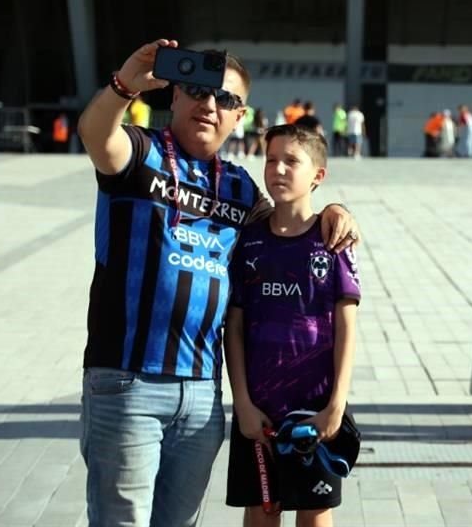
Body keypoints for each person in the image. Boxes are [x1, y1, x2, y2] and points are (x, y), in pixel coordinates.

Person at [75, 38, 359, 527]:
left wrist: (334, 209)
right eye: (197, 91)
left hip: (202, 394)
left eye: (225, 99)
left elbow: (288, 223)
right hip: (128, 384)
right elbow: (97, 134)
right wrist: (124, 86)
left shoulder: (239, 186)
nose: (209, 105)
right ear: (175, 97)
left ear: (238, 115)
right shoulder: (140, 155)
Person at [225, 124, 360, 526]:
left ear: (318, 175)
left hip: (314, 410)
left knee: (315, 514)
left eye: (291, 161)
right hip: (259, 411)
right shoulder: (247, 239)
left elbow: (347, 328)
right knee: (262, 512)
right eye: (271, 160)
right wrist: (243, 404)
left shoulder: (333, 240)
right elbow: (233, 327)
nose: (278, 169)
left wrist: (336, 404)